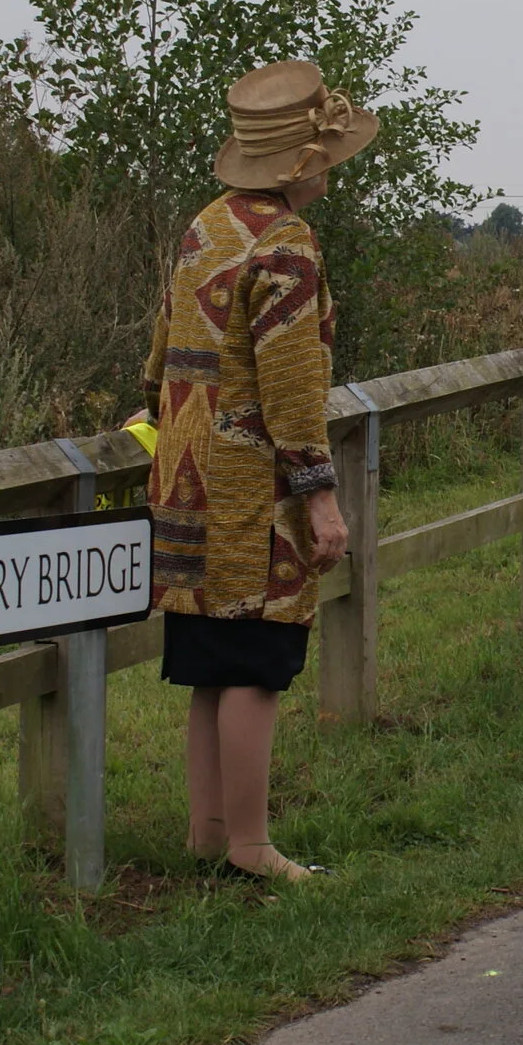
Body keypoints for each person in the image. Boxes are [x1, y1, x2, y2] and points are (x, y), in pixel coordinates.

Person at [141, 60, 375, 882]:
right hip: (249, 487)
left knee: (208, 658)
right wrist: (321, 501)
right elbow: (292, 384)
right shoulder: (287, 246)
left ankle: (208, 837)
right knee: (255, 661)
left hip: (182, 470)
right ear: (305, 165)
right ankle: (248, 846)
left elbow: (161, 348)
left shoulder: (205, 226)